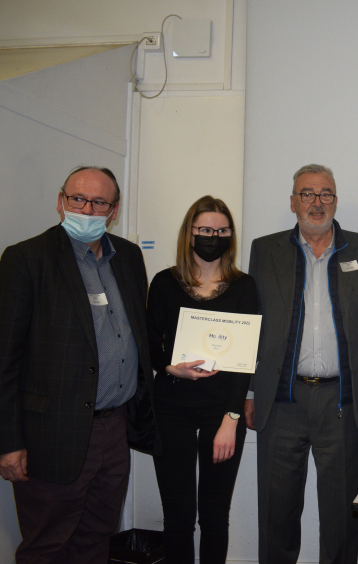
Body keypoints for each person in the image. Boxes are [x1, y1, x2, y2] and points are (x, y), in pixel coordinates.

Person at [0, 166, 159, 564]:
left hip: (114, 429)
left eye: (99, 202)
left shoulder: (128, 257)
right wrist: (8, 442)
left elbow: (137, 335)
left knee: (96, 538)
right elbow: (5, 359)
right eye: (77, 199)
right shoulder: (26, 259)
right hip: (52, 434)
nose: (86, 210)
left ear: (114, 210)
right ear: (61, 201)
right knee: (47, 545)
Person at [246, 164, 358, 564]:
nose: (317, 202)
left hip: (341, 400)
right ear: (293, 202)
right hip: (281, 399)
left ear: (336, 201)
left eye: (326, 194)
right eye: (307, 194)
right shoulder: (265, 250)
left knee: (342, 514)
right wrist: (251, 390)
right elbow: (252, 322)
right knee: (276, 512)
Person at [146, 196, 258, 564]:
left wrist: (231, 419)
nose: (214, 237)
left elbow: (245, 361)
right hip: (171, 408)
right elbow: (148, 344)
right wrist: (170, 367)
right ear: (190, 233)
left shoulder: (244, 286)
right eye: (206, 230)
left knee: (214, 516)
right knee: (177, 516)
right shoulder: (164, 283)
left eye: (222, 231)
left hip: (221, 412)